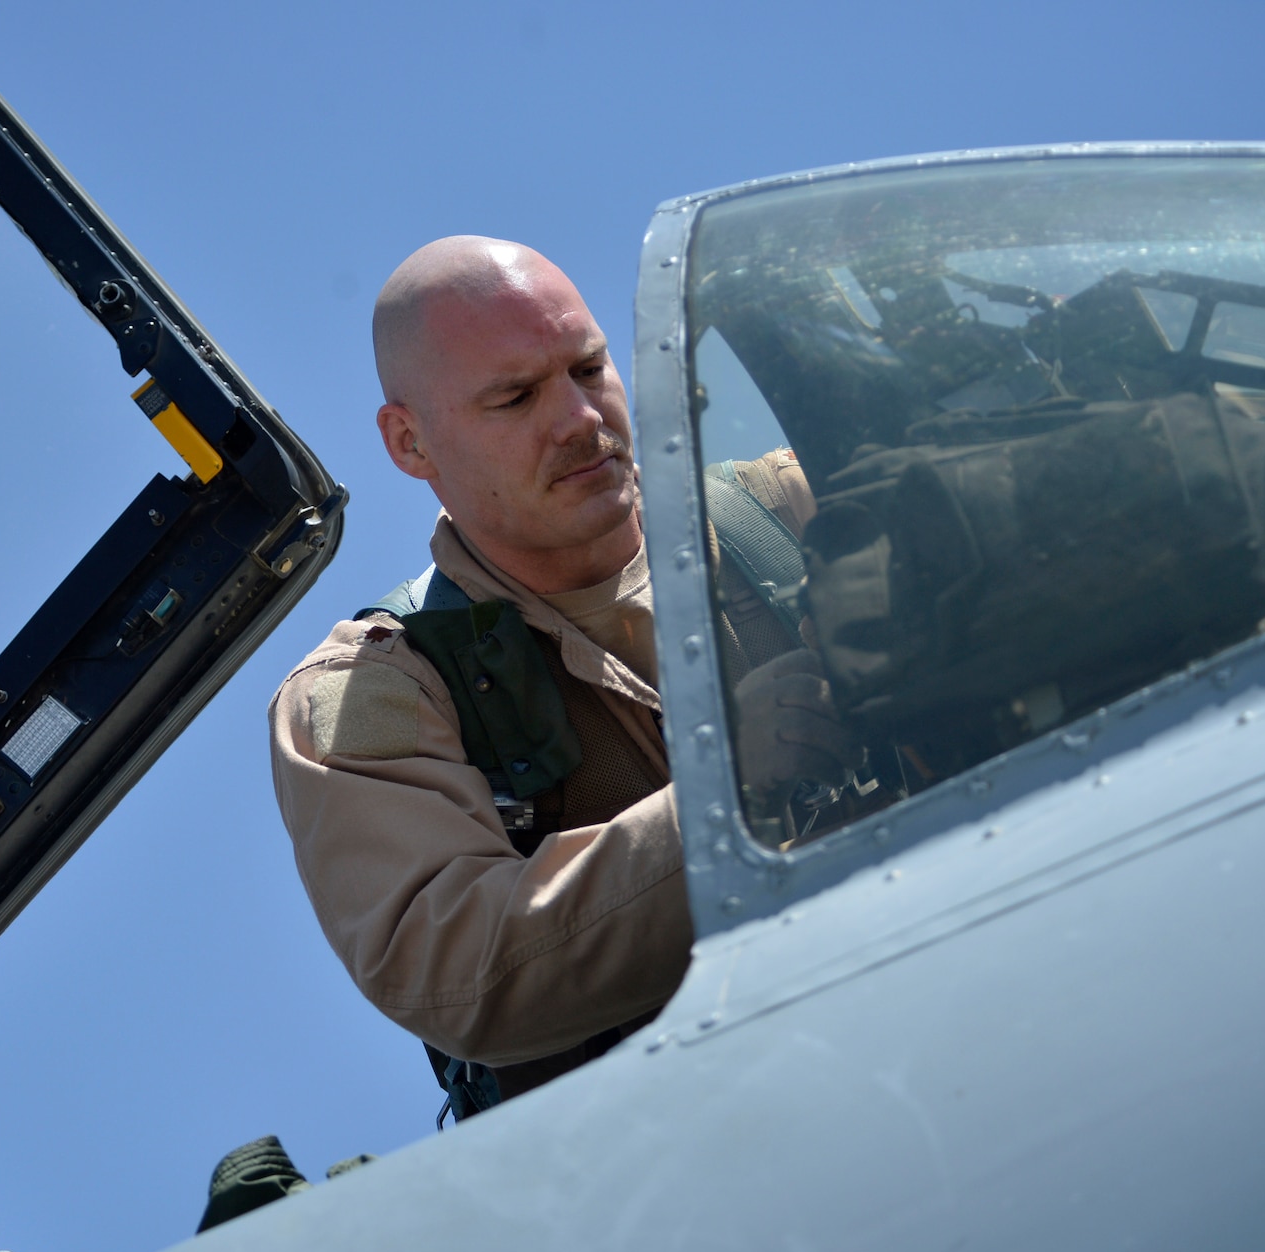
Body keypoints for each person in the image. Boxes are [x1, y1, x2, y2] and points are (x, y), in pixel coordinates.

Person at [268, 236, 858, 1115]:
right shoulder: (370, 691)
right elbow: (455, 969)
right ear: (409, 440)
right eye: (514, 396)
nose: (580, 418)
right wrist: (723, 788)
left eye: (588, 367)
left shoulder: (787, 509)